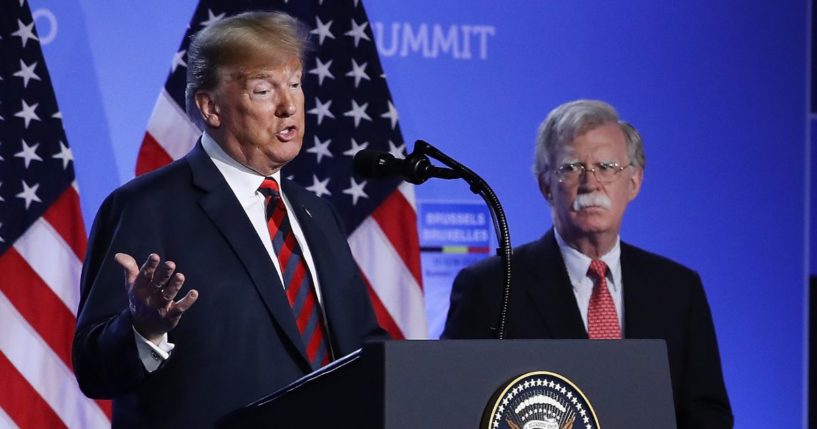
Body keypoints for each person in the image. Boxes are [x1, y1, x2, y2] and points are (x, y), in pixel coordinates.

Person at [73, 12, 385, 427]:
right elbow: (94, 368)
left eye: (294, 84)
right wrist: (143, 330)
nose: (288, 105)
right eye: (263, 90)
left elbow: (362, 348)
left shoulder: (316, 214)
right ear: (210, 106)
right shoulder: (145, 206)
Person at [443, 99, 733, 428]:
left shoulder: (679, 290)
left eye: (607, 167)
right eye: (571, 168)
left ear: (634, 182)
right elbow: (457, 405)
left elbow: (708, 415)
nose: (591, 183)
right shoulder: (492, 287)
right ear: (545, 185)